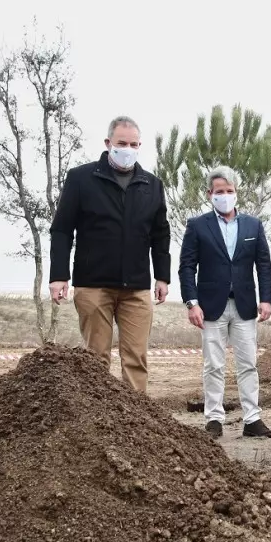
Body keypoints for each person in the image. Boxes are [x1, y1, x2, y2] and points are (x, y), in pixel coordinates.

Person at [48, 116, 170, 394]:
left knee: (136, 359)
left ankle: (136, 421)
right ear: (108, 143)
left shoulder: (152, 185)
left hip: (136, 288)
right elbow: (62, 230)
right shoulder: (81, 178)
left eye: (134, 144)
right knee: (95, 359)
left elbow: (161, 234)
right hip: (94, 285)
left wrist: (162, 276)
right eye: (122, 143)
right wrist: (59, 276)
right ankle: (96, 426)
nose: (128, 149)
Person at [178, 166, 271, 439]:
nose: (225, 195)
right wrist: (191, 303)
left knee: (248, 364)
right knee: (213, 365)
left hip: (244, 306)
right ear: (210, 194)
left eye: (229, 191)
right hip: (210, 306)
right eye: (219, 192)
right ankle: (214, 420)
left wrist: (266, 299)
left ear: (236, 193)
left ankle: (252, 419)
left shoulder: (253, 226)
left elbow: (263, 265)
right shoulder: (197, 226)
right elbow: (187, 266)